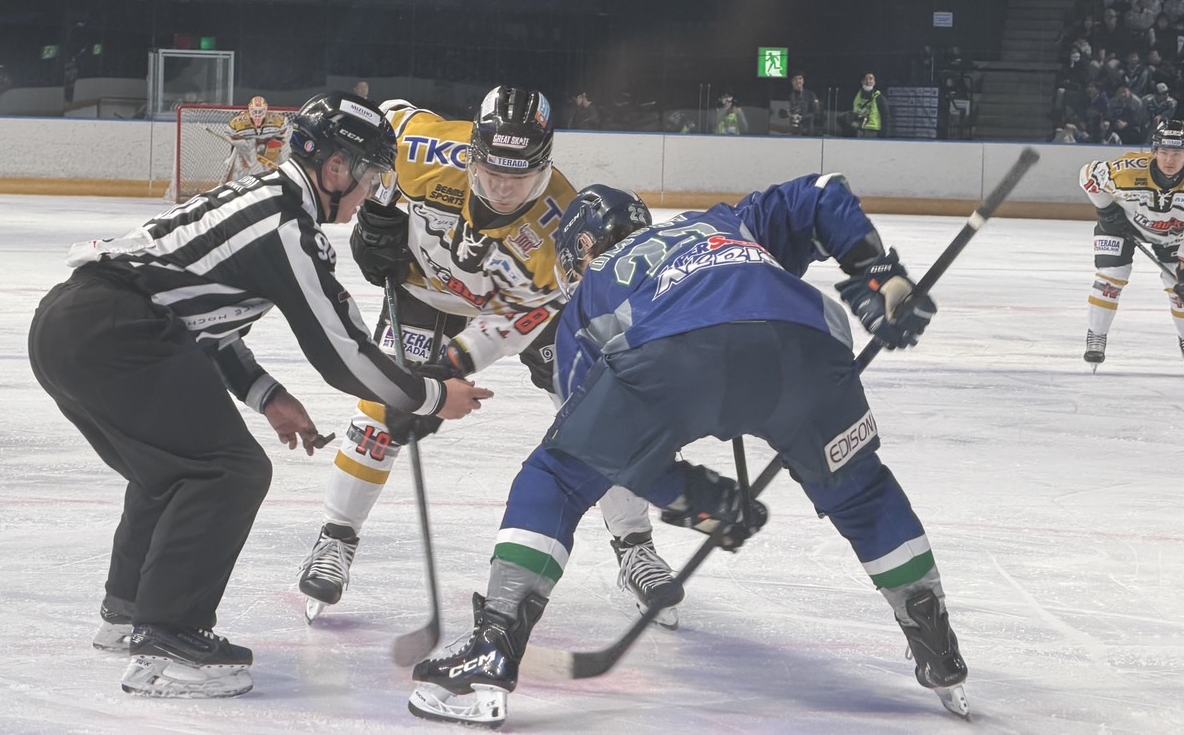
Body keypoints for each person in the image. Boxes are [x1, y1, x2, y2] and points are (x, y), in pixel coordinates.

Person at [408, 181, 967, 726]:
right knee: (862, 491)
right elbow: (821, 195)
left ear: (583, 246)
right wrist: (877, 272)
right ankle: (936, 643)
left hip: (672, 355)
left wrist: (691, 497)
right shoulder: (721, 222)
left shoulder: (590, 290)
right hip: (809, 343)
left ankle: (494, 644)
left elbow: (604, 453)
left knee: (554, 475)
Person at [28, 91, 491, 699]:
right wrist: (431, 397)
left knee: (169, 471)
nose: (372, 193)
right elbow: (343, 353)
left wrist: (268, 395)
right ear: (336, 168)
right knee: (227, 471)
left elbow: (202, 324)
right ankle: (168, 640)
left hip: (71, 325)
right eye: (372, 176)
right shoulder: (285, 225)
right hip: (118, 333)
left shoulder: (265, 200)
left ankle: (129, 612)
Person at [297, 88, 682, 626]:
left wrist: (449, 367)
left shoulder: (560, 226)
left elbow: (510, 321)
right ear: (472, 155)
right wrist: (378, 212)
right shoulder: (426, 147)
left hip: (514, 309)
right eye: (492, 172)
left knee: (598, 413)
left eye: (518, 178)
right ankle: (336, 537)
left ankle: (635, 545)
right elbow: (385, 125)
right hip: (424, 293)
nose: (502, 189)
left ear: (544, 168)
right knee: (383, 409)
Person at [1081, 119, 1184, 374]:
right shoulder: (1126, 170)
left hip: (1172, 235)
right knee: (1111, 276)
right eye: (1164, 152)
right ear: (1154, 151)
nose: (1169, 160)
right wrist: (1107, 210)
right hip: (1121, 226)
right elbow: (1087, 175)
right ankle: (1096, 335)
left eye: (1177, 153)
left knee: (1182, 287)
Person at [216, 95, 294, 185]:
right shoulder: (238, 123)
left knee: (276, 167)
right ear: (249, 109)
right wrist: (238, 143)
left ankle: (278, 183)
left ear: (266, 109)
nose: (257, 114)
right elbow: (230, 135)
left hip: (267, 144)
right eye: (254, 111)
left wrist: (275, 143)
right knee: (240, 168)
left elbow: (283, 134)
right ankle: (234, 184)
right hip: (247, 145)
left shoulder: (278, 120)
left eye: (260, 111)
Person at [841, 72, 890, 138]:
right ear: (861, 81)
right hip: (858, 130)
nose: (868, 81)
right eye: (865, 79)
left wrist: (883, 136)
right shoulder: (856, 96)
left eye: (871, 79)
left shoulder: (879, 98)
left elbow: (885, 117)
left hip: (873, 132)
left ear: (874, 82)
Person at [788, 70, 822, 136]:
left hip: (807, 131)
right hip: (792, 131)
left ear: (803, 81)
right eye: (795, 79)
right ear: (792, 82)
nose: (798, 81)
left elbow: (816, 111)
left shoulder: (810, 95)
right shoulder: (789, 95)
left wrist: (802, 117)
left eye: (800, 78)